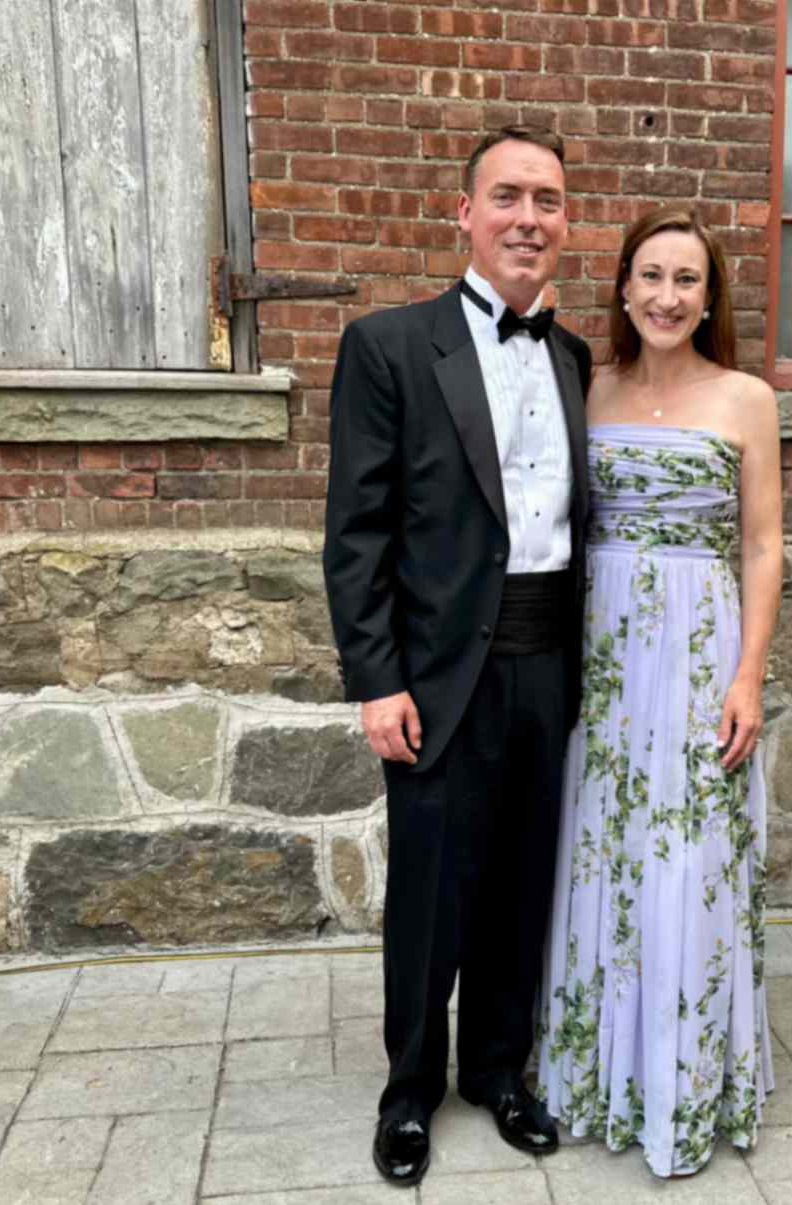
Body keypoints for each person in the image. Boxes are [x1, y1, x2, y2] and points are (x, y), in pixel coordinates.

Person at [322, 125, 592, 1188]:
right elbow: (358, 532)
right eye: (510, 196)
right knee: (433, 890)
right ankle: (408, 1091)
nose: (531, 217)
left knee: (526, 884)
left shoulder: (574, 359)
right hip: (435, 672)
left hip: (546, 662)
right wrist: (376, 677)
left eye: (551, 200)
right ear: (465, 215)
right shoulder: (390, 345)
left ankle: (498, 1069)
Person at [536, 208, 782, 1177]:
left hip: (700, 650)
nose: (667, 295)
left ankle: (685, 1076)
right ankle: (600, 1067)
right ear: (625, 289)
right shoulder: (586, 387)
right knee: (603, 845)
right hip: (599, 654)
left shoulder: (746, 397)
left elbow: (762, 543)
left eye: (686, 278)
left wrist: (749, 675)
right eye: (651, 275)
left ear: (709, 296)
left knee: (693, 851)